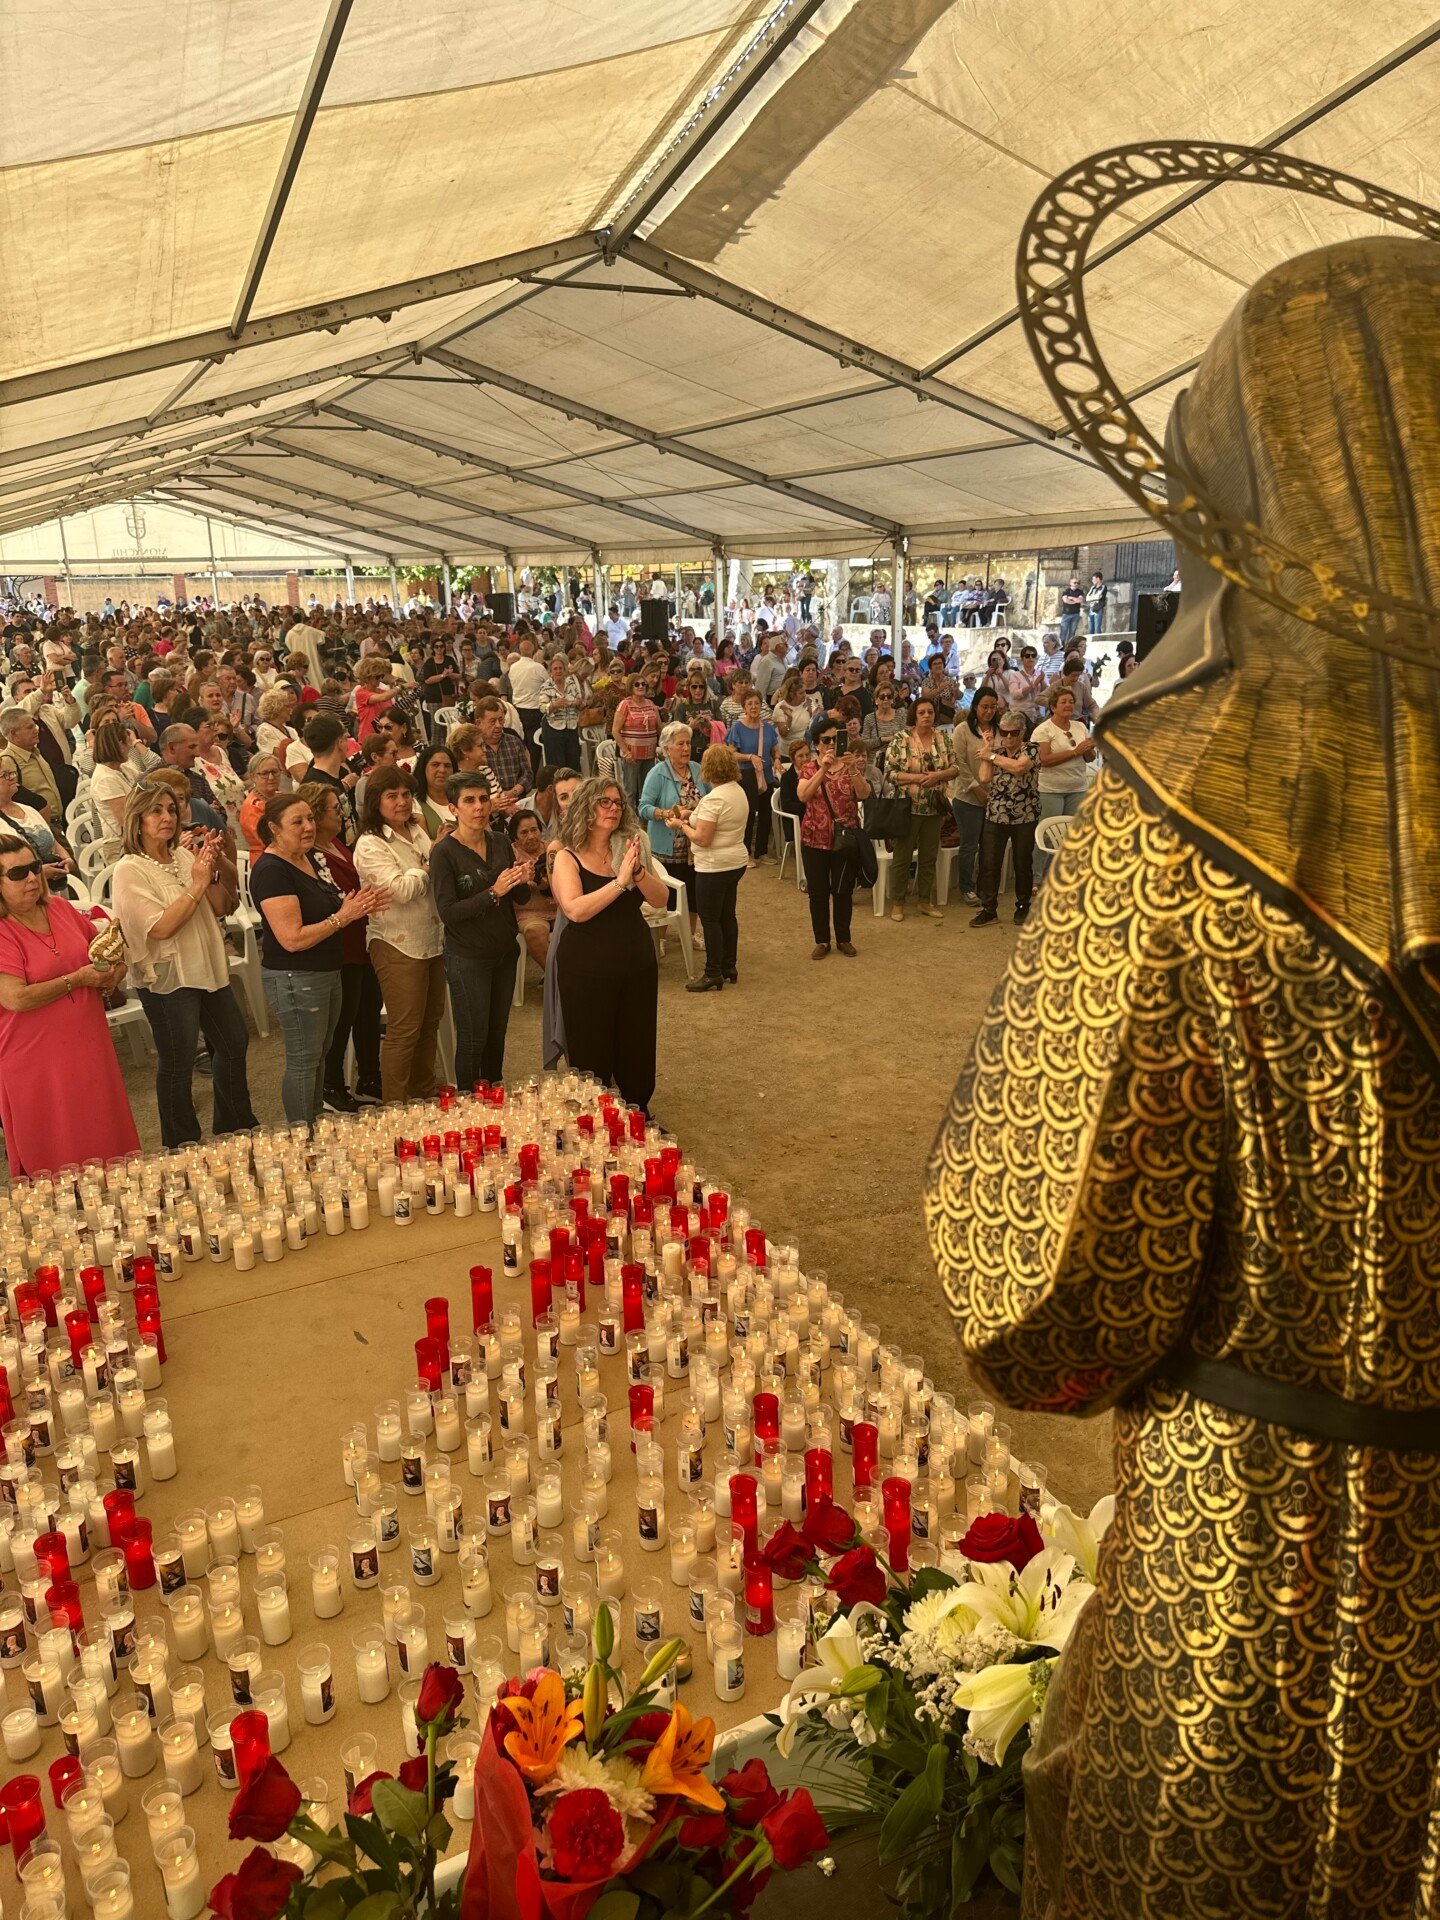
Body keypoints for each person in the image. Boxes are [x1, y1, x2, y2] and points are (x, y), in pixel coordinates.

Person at [111, 783, 256, 1148]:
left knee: (234, 1042)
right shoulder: (129, 870)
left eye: (172, 810)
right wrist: (197, 884)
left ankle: (234, 1127)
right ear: (137, 819)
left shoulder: (182, 856)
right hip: (168, 976)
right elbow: (161, 928)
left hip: (205, 963)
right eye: (156, 810)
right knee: (178, 1060)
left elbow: (223, 905)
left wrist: (217, 862)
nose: (167, 817)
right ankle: (181, 1144)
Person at [0, 835, 137, 1177]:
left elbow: (105, 954)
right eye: (17, 874)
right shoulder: (2, 932)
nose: (32, 878)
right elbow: (15, 998)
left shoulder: (61, 910)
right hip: (36, 1061)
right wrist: (77, 980)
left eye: (34, 867)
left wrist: (113, 973)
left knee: (103, 1130)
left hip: (88, 1045)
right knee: (56, 1150)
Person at [250, 792, 385, 1124]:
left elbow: (332, 904)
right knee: (303, 1060)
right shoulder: (272, 871)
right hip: (296, 977)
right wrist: (344, 917)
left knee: (320, 1056)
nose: (308, 826)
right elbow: (292, 939)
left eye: (310, 818)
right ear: (274, 828)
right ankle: (301, 1134)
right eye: (297, 822)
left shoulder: (307, 857)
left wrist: (359, 906)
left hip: (326, 971)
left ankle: (313, 1123)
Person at [550, 776, 669, 1109]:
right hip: (586, 968)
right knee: (591, 1045)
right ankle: (597, 1117)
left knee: (637, 1042)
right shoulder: (566, 856)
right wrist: (620, 882)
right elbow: (575, 910)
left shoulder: (630, 847)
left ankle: (637, 1110)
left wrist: (639, 872)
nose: (614, 809)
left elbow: (661, 900)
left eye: (618, 803)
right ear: (585, 808)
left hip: (636, 962)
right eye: (605, 802)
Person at [429, 773, 529, 1087]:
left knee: (497, 1033)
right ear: (453, 808)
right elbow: (448, 912)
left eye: (484, 799)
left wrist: (522, 879)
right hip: (468, 957)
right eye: (469, 800)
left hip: (505, 951)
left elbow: (520, 898)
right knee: (474, 1037)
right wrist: (493, 892)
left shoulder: (500, 841)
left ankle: (493, 1097)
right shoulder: (444, 853)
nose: (479, 807)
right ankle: (468, 1104)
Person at [353, 764, 445, 1103]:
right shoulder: (370, 844)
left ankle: (424, 1098)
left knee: (429, 1024)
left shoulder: (417, 831)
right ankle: (395, 1109)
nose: (402, 802)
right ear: (375, 802)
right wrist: (429, 864)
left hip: (432, 938)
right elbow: (400, 890)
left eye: (406, 794)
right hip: (397, 942)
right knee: (404, 1031)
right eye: (392, 796)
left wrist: (428, 863)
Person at [301, 782, 382, 1112]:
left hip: (361, 938)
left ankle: (370, 1077)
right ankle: (332, 1085)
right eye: (336, 808)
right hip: (341, 945)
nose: (342, 814)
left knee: (368, 1012)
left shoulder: (336, 844)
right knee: (342, 1019)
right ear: (318, 814)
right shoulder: (311, 855)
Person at [673, 743, 748, 993]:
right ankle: (729, 966)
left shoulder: (714, 798)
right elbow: (716, 820)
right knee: (727, 915)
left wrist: (681, 825)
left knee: (710, 919)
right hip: (735, 861)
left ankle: (713, 972)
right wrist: (691, 815)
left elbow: (702, 838)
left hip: (714, 865)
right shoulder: (736, 790)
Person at [796, 727, 870, 959]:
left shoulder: (850, 767)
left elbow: (864, 794)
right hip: (814, 839)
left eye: (836, 739)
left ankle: (843, 938)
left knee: (843, 891)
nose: (831, 743)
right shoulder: (809, 768)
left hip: (845, 840)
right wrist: (823, 769)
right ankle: (822, 940)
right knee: (818, 893)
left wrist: (853, 769)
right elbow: (803, 796)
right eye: (825, 739)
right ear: (817, 744)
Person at [884, 695, 957, 922]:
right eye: (922, 712)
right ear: (914, 716)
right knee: (902, 857)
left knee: (929, 856)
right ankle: (898, 903)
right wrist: (917, 778)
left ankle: (924, 901)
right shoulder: (901, 739)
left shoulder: (943, 738)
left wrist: (938, 775)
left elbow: (955, 768)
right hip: (907, 807)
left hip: (935, 807)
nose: (926, 716)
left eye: (930, 712)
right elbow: (890, 773)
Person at [970, 706, 1039, 926]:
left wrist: (990, 756)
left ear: (1022, 732)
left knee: (1022, 862)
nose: (1008, 737)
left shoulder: (1032, 749)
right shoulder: (996, 752)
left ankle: (1023, 906)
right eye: (1004, 732)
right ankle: (988, 908)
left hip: (1024, 815)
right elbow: (984, 778)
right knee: (989, 862)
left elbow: (1019, 768)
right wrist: (988, 749)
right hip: (996, 814)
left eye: (1014, 733)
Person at [639, 722, 706, 946]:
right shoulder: (657, 773)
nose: (686, 748)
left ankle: (691, 934)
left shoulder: (697, 770)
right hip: (667, 849)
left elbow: (710, 799)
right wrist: (665, 813)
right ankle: (661, 938)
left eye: (688, 743)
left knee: (695, 894)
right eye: (680, 744)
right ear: (667, 749)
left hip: (695, 847)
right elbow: (643, 808)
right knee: (666, 897)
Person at [1032, 683, 1097, 871]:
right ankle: (1037, 876)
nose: (1068, 705)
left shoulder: (1080, 726)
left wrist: (1088, 749)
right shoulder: (1043, 730)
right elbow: (1044, 760)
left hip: (1077, 788)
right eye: (1063, 702)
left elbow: (1089, 758)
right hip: (1051, 790)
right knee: (1047, 835)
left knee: (1071, 834)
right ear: (1053, 707)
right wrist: (1075, 752)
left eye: (1071, 701)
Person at [949, 687, 1000, 904]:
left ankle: (984, 885)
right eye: (984, 707)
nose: (989, 711)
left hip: (995, 796)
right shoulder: (963, 730)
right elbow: (958, 763)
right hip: (967, 797)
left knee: (989, 845)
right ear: (975, 707)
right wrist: (976, 788)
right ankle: (966, 887)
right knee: (969, 844)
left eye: (993, 707)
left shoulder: (1000, 730)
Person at [0, 762, 74, 891]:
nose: (12, 777)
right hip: (20, 894)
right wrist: (40, 872)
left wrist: (67, 860)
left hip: (52, 889)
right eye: (4, 775)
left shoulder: (29, 810)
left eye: (11, 773)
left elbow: (54, 843)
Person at [726, 690, 779, 865]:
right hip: (746, 777)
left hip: (766, 776)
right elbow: (731, 753)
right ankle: (745, 853)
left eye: (757, 703)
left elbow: (775, 749)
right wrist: (749, 757)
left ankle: (761, 852)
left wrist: (777, 759)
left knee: (765, 814)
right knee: (747, 816)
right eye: (750, 704)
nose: (754, 707)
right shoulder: (737, 728)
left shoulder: (768, 728)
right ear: (744, 708)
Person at [509, 809, 558, 969]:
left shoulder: (552, 847)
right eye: (524, 832)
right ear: (515, 837)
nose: (531, 836)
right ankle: (553, 976)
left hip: (559, 908)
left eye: (534, 830)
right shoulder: (511, 854)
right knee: (534, 932)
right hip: (529, 912)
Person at [611, 675, 661, 807]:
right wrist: (626, 752)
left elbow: (659, 728)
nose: (641, 687)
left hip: (649, 754)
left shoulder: (650, 704)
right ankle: (629, 817)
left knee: (647, 790)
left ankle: (644, 816)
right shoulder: (625, 704)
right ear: (630, 687)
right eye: (637, 684)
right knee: (630, 791)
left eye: (643, 684)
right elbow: (615, 731)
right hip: (631, 755)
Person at [537, 653, 583, 771]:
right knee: (557, 764)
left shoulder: (571, 684)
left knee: (573, 762)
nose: (558, 671)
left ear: (565, 670)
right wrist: (554, 705)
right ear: (550, 671)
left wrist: (579, 703)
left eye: (560, 668)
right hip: (553, 728)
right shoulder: (546, 686)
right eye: (555, 669)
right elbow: (542, 707)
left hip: (571, 727)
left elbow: (579, 704)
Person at [238, 753, 283, 859]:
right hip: (267, 859)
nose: (271, 777)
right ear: (253, 777)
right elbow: (269, 840)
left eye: (274, 772)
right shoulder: (252, 807)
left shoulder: (281, 796)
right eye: (264, 773)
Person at [413, 743, 457, 839]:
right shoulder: (414, 803)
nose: (442, 770)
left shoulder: (462, 797)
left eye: (447, 766)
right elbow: (424, 844)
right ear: (423, 768)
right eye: (435, 765)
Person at [1058, 573, 1086, 647]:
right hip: (1066, 614)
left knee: (1072, 632)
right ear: (1070, 583)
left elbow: (1080, 600)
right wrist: (1075, 601)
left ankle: (1070, 647)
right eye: (1074, 582)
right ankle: (1061, 647)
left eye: (1078, 583)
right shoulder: (1066, 591)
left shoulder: (1080, 591)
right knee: (1063, 632)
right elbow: (1065, 600)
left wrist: (1072, 598)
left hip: (1075, 614)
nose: (1076, 584)